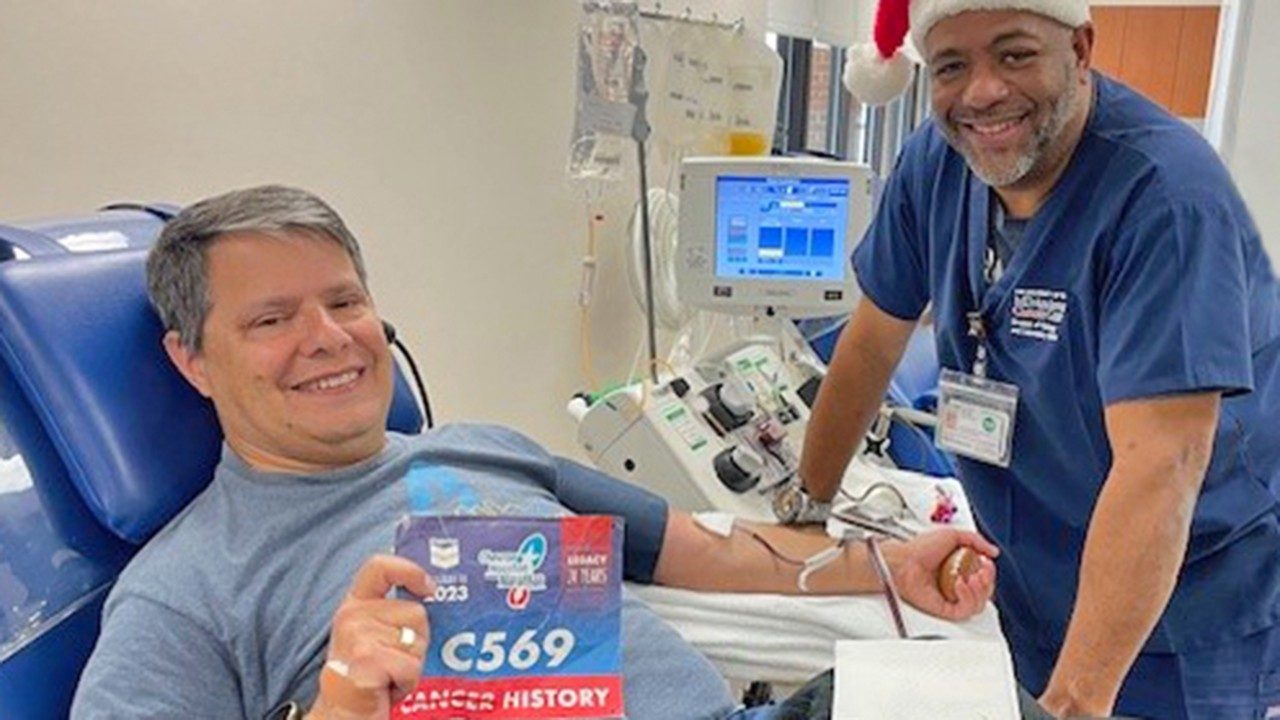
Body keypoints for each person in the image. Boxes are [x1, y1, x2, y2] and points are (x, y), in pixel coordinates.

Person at [69, 185, 997, 720]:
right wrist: (343, 708)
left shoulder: (487, 448)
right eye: (273, 319)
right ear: (191, 360)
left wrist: (887, 567)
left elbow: (705, 548)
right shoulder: (183, 589)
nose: (331, 338)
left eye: (345, 302)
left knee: (986, 702)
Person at [800, 0, 1280, 717]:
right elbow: (871, 340)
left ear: (1080, 50)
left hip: (1184, 604)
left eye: (1015, 53)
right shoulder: (939, 162)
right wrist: (807, 505)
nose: (983, 92)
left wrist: (1074, 704)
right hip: (1036, 581)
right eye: (952, 65)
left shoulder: (1166, 199)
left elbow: (1162, 467)